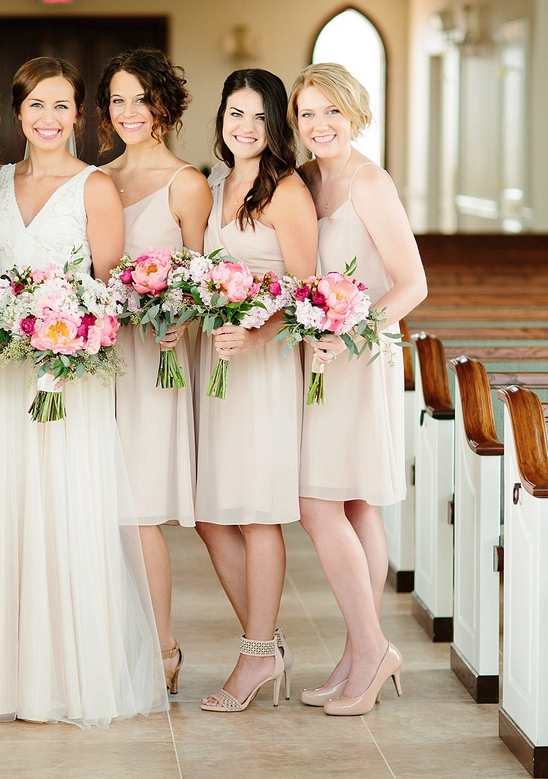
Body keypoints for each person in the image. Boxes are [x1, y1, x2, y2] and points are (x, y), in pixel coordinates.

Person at [0, 56, 166, 727]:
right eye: (36, 106)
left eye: (62, 106)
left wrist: (73, 336)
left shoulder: (93, 187)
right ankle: (0, 671)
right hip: (2, 378)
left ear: (78, 115)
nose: (49, 119)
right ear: (17, 111)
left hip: (70, 378)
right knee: (2, 515)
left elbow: (112, 291)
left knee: (69, 512)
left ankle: (70, 670)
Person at [288, 62, 427, 716]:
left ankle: (369, 650)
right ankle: (357, 653)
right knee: (350, 505)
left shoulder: (369, 182)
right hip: (318, 358)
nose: (319, 125)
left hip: (356, 355)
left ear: (354, 112)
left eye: (330, 112)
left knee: (319, 502)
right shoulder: (308, 180)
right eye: (307, 113)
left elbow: (410, 283)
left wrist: (347, 335)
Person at [193, 69, 317, 712]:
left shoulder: (286, 190)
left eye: (259, 118)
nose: (244, 127)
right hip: (215, 366)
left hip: (261, 368)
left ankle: (256, 653)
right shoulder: (216, 184)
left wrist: (255, 335)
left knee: (255, 511)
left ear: (277, 127)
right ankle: (265, 645)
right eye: (235, 114)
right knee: (212, 514)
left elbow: (308, 293)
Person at [95, 47, 211, 695]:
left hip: (152, 363)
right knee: (95, 507)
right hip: (96, 359)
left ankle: (162, 648)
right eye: (117, 99)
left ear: (164, 104)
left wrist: (182, 321)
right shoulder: (95, 179)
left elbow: (202, 277)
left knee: (136, 510)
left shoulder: (185, 183)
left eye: (141, 98)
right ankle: (110, 641)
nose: (129, 111)